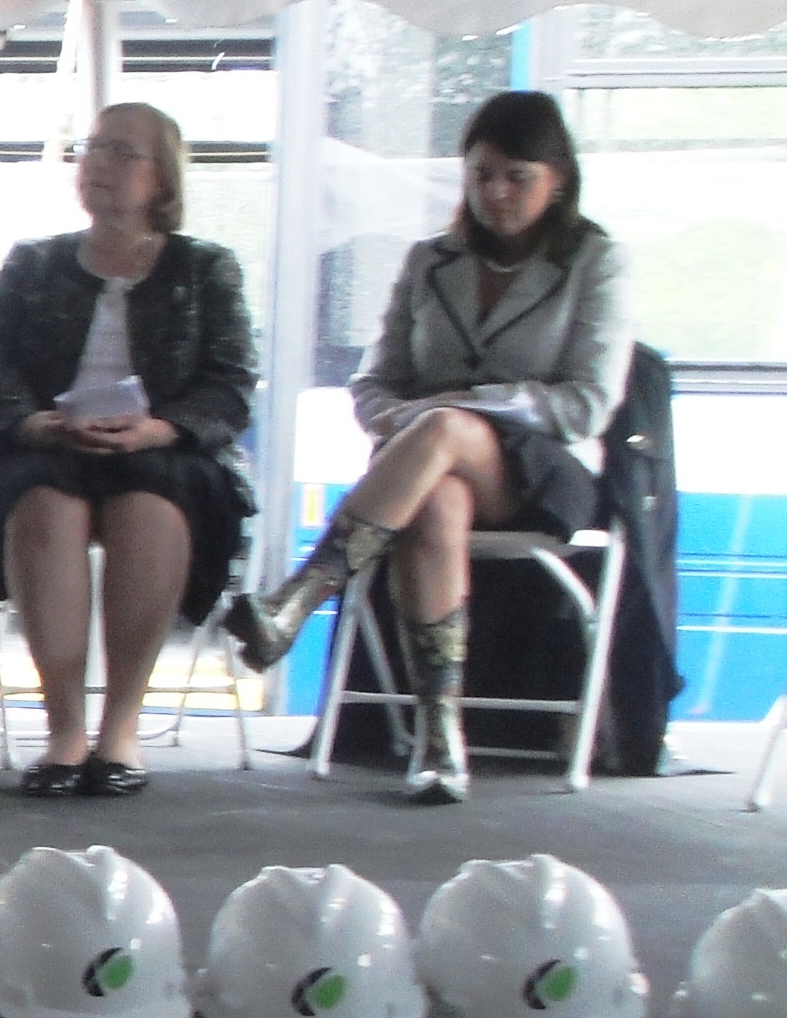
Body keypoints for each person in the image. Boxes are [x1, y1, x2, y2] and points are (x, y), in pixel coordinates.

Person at [225, 89, 631, 803]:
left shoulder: (596, 261)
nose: (495, 193)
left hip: (545, 468)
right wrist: (402, 418)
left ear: (557, 178)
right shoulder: (429, 262)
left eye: (517, 177)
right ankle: (441, 742)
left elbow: (588, 403)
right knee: (435, 501)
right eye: (481, 175)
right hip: (430, 465)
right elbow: (373, 384)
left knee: (441, 430)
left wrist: (464, 407)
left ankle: (299, 596)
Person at [0, 101, 259, 797]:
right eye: (94, 149)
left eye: (123, 152)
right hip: (45, 442)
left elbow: (232, 383)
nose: (101, 164)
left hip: (163, 446)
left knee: (149, 505)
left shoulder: (207, 268)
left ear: (163, 178)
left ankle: (121, 730)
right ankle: (63, 732)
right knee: (45, 508)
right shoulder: (34, 263)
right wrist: (32, 424)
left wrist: (161, 427)